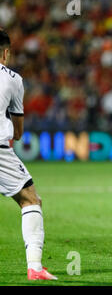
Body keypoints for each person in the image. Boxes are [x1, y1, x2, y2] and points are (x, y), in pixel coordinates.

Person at [0, 29, 57, 279]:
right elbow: (19, 132)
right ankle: (34, 267)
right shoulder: (12, 78)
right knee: (30, 200)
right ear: (5, 52)